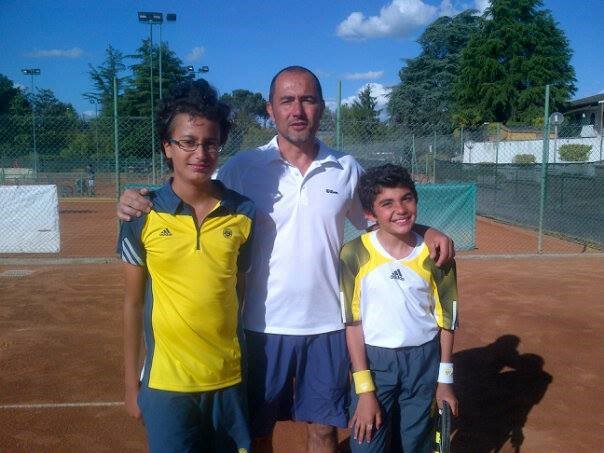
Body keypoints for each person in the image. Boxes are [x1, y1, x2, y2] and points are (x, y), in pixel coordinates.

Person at [117, 66, 454, 453]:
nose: (298, 110)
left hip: (328, 327)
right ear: (270, 109)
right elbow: (193, 184)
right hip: (261, 327)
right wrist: (137, 199)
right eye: (287, 100)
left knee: (324, 431)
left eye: (308, 100)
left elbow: (383, 217)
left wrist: (426, 230)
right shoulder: (242, 168)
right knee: (259, 433)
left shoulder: (346, 169)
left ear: (322, 107)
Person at [117, 79, 254, 453]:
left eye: (211, 143)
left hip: (228, 379)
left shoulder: (244, 213)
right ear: (167, 146)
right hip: (166, 385)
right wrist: (131, 386)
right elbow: (132, 303)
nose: (201, 153)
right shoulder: (141, 214)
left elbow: (238, 294)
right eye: (188, 142)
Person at [339, 164, 459, 453]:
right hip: (375, 362)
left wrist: (445, 381)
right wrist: (364, 390)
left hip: (423, 361)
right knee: (367, 444)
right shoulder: (353, 253)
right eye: (387, 203)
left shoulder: (437, 253)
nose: (400, 209)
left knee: (414, 443)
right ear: (370, 213)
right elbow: (352, 324)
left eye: (407, 198)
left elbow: (447, 322)